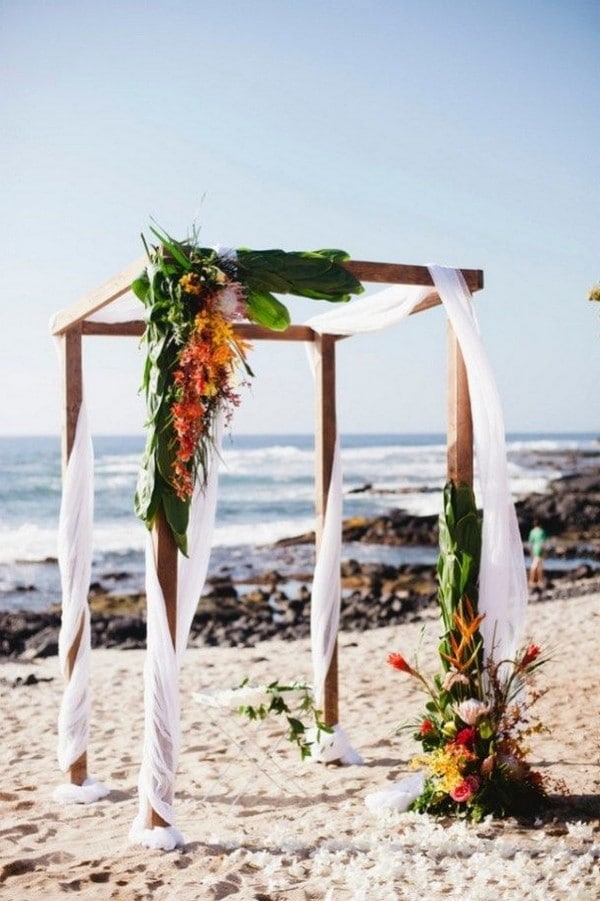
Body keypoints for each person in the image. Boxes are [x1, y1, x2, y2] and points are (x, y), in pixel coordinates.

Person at [527, 520, 548, 589]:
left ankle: (535, 580)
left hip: (534, 548)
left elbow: (530, 543)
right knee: (538, 565)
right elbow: (543, 543)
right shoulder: (542, 532)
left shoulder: (532, 531)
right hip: (539, 549)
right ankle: (535, 580)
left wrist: (530, 552)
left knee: (536, 564)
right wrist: (545, 552)